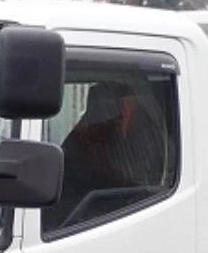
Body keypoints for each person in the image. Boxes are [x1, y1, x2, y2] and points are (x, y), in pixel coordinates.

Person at [44, 80, 167, 230]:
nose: (129, 113)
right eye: (124, 106)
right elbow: (96, 172)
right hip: (78, 218)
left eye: (133, 106)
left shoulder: (147, 137)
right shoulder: (88, 137)